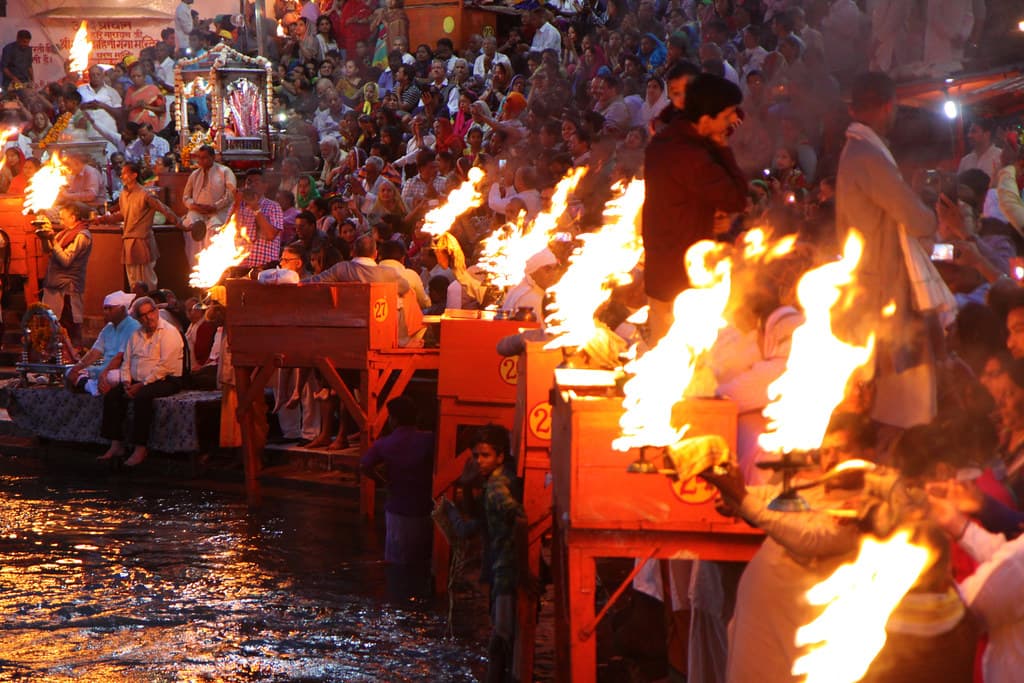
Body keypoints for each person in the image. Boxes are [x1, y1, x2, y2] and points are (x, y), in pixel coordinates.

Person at [836, 72, 944, 430]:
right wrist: (932, 215)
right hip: (880, 288)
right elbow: (914, 218)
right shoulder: (866, 153)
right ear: (887, 107)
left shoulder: (860, 150)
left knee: (889, 387)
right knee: (892, 392)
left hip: (875, 283)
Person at [642, 73, 747, 342]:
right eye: (726, 117)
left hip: (666, 273)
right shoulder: (689, 156)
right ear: (705, 119)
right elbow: (736, 197)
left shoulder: (666, 142)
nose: (729, 124)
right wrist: (722, 147)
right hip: (682, 281)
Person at [97, 296, 185, 467]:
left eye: (150, 313)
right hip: (138, 380)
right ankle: (116, 444)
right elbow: (127, 362)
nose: (148, 318)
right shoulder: (136, 335)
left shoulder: (169, 332)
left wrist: (142, 385)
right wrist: (127, 382)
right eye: (142, 316)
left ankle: (140, 447)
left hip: (165, 379)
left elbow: (164, 366)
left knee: (143, 398)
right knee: (112, 396)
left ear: (156, 311)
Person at [360, 396, 434, 571]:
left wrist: (382, 481)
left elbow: (364, 466)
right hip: (424, 508)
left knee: (397, 563)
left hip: (397, 509)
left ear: (394, 419)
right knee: (423, 561)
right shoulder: (429, 439)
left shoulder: (384, 444)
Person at [97, 162, 183, 291]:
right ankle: (137, 307)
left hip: (143, 241)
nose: (121, 176)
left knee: (147, 280)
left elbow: (164, 209)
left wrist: (179, 223)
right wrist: (103, 219)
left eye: (125, 173)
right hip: (128, 241)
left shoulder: (145, 194)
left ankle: (151, 306)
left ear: (134, 175)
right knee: (133, 281)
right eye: (121, 174)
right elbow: (123, 214)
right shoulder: (123, 195)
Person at [66, 290, 140, 395]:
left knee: (112, 377)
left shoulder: (133, 327)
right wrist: (77, 367)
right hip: (104, 366)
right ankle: (92, 387)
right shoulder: (108, 328)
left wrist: (104, 374)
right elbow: (94, 353)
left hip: (122, 368)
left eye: (109, 308)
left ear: (122, 309)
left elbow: (120, 357)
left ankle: (88, 385)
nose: (105, 312)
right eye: (105, 308)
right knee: (69, 371)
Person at [41, 203, 93, 348]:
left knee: (69, 325)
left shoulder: (82, 236)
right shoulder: (63, 234)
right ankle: (55, 357)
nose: (61, 221)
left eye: (64, 218)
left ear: (73, 217)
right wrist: (45, 237)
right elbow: (48, 251)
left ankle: (73, 357)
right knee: (53, 325)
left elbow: (66, 260)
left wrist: (52, 239)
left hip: (68, 290)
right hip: (54, 287)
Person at [182, 144, 237, 267]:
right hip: (197, 211)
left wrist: (215, 206)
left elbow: (231, 194)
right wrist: (194, 206)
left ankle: (212, 267)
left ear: (213, 157)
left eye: (205, 158)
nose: (201, 161)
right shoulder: (195, 174)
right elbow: (185, 197)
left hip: (218, 212)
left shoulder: (225, 171)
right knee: (189, 225)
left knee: (213, 230)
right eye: (199, 158)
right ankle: (195, 266)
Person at [236, 170, 285, 270]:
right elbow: (227, 232)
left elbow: (270, 235)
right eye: (249, 182)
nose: (252, 185)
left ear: (265, 186)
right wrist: (236, 204)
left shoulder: (273, 206)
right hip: (239, 267)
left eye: (256, 182)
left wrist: (256, 209)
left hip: (264, 269)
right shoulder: (238, 205)